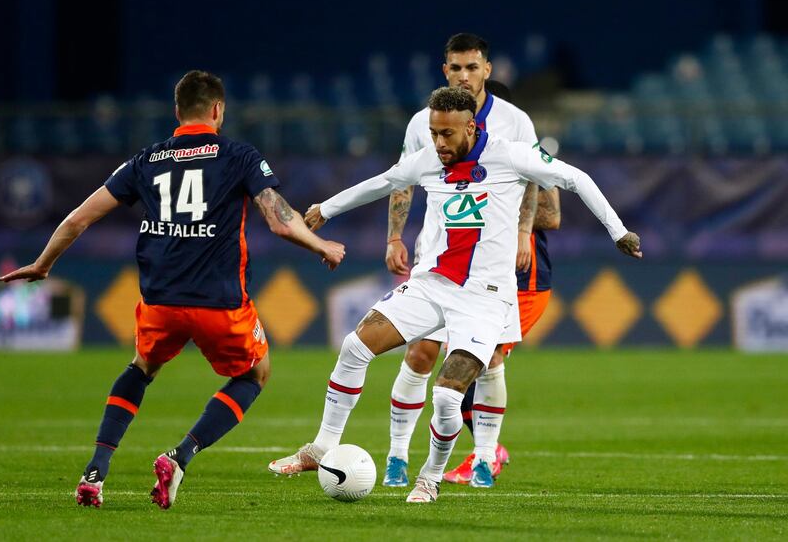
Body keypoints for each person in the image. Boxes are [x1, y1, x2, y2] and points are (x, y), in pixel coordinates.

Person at [268, 86, 641, 503]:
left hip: (486, 297)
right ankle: (321, 447)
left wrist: (619, 231)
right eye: (433, 133)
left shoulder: (510, 154)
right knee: (356, 346)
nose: (439, 143)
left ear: (471, 126)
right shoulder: (430, 157)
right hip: (432, 284)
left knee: (446, 397)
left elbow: (577, 178)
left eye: (447, 134)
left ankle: (429, 477)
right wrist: (328, 208)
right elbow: (386, 181)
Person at [0, 70, 345, 509]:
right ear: (218, 110)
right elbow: (278, 218)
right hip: (219, 302)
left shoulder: (146, 160)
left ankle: (94, 471)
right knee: (255, 373)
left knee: (141, 367)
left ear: (177, 112)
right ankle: (180, 455)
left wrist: (43, 263)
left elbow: (77, 219)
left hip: (160, 300)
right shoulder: (238, 155)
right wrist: (322, 245)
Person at [382, 34, 561, 489]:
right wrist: (395, 236)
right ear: (445, 70)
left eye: (472, 67)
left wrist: (523, 231)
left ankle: (486, 454)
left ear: (488, 69)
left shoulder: (514, 120)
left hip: (495, 265)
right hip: (439, 257)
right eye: (456, 68)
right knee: (421, 351)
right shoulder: (422, 122)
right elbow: (402, 180)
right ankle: (398, 458)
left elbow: (535, 183)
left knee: (485, 359)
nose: (465, 75)